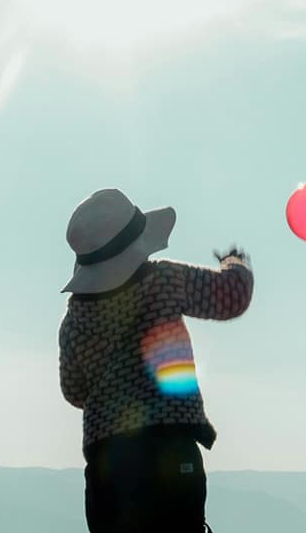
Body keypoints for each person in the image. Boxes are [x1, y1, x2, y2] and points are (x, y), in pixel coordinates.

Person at [58, 188, 254, 533]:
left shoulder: (74, 318)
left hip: (106, 463)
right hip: (169, 449)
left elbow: (74, 391)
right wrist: (235, 264)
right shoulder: (163, 279)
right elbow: (231, 298)